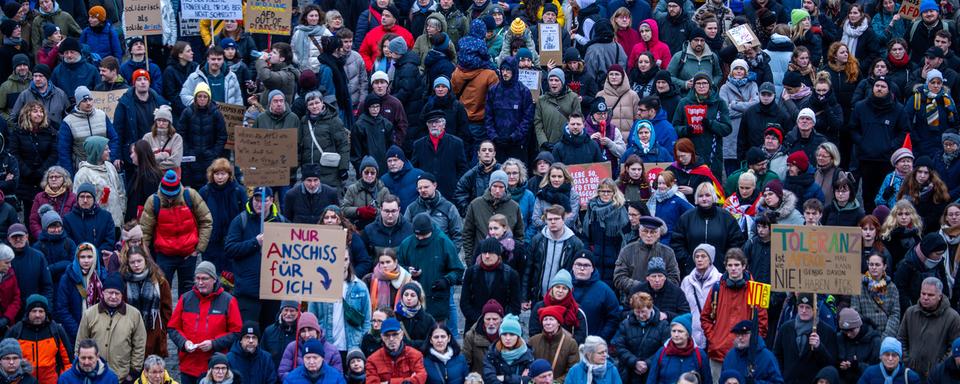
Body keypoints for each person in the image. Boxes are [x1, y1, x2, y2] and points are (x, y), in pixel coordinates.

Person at [168, 261, 243, 384]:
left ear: (214, 279)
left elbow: (236, 331)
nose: (200, 282)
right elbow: (172, 327)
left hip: (215, 368)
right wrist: (184, 342)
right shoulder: (185, 298)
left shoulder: (229, 301)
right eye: (197, 278)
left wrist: (214, 343)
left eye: (204, 278)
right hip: (188, 365)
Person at [701, 249, 768, 377]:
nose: (733, 269)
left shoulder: (758, 290)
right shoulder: (716, 288)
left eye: (737, 265)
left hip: (746, 354)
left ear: (744, 266)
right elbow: (705, 317)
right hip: (718, 353)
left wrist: (752, 345)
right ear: (725, 266)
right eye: (730, 265)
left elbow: (763, 324)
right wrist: (714, 339)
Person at [75, 273, 147, 382]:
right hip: (93, 374)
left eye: (117, 293)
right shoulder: (89, 314)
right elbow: (80, 341)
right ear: (103, 292)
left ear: (122, 294)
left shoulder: (134, 314)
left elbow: (139, 345)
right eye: (110, 292)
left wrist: (133, 373)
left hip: (122, 376)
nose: (113, 297)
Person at [898, 276, 960, 377]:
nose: (925, 297)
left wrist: (939, 367)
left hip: (938, 376)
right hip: (910, 374)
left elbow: (954, 348)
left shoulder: (953, 317)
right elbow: (901, 339)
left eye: (930, 295)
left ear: (940, 296)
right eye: (923, 294)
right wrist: (907, 361)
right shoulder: (910, 312)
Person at [773, 293, 838, 384]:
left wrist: (819, 347)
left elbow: (831, 364)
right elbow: (777, 355)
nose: (804, 310)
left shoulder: (827, 332)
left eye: (808, 307)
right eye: (801, 306)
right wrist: (780, 375)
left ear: (815, 309)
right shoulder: (786, 328)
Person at [120, 247, 173, 358]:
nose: (136, 265)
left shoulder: (159, 280)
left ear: (145, 260)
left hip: (153, 330)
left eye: (139, 261)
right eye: (132, 262)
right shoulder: (124, 281)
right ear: (128, 264)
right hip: (131, 331)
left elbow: (166, 308)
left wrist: (162, 330)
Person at [197, 159, 247, 274]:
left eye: (223, 174)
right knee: (211, 273)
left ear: (229, 175)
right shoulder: (205, 192)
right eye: (217, 174)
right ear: (212, 174)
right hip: (211, 240)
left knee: (230, 275)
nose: (220, 177)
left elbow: (244, 214)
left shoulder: (238, 191)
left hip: (232, 239)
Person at [7, 294, 72, 384]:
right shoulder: (16, 331)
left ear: (46, 313)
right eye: (34, 311)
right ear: (28, 312)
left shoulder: (56, 330)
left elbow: (68, 361)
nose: (37, 315)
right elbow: (5, 360)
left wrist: (63, 380)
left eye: (41, 311)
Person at [460, 238, 521, 327]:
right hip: (475, 325)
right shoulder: (471, 272)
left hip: (502, 325)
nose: (487, 256)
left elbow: (515, 305)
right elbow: (464, 302)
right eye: (484, 253)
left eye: (491, 253)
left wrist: (499, 320)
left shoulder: (511, 274)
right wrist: (480, 320)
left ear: (498, 254)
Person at [611, 292, 669, 384]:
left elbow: (665, 348)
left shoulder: (663, 325)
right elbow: (620, 347)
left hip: (653, 373)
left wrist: (648, 363)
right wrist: (635, 362)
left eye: (643, 312)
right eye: (637, 312)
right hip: (630, 373)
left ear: (650, 308)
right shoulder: (625, 324)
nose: (641, 316)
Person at [410, 113, 469, 203]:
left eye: (437, 122)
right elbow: (414, 169)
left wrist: (455, 184)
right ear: (427, 125)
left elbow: (463, 168)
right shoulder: (418, 144)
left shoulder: (456, 143)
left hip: (450, 193)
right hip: (425, 194)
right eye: (430, 122)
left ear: (444, 124)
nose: (434, 125)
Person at [178, 82, 227, 189]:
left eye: (205, 96)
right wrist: (187, 152)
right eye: (199, 96)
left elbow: (222, 136)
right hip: (191, 158)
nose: (202, 99)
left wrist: (214, 153)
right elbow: (181, 134)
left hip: (209, 157)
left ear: (209, 98)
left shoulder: (216, 113)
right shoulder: (187, 112)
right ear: (195, 97)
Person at [297, 93, 351, 190]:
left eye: (317, 103)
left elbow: (343, 145)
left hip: (329, 172)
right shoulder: (304, 121)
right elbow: (300, 145)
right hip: (309, 171)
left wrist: (343, 168)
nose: (314, 106)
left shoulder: (334, 121)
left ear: (322, 103)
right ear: (307, 106)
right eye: (311, 104)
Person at [582, 178, 628, 284]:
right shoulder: (592, 208)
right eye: (603, 191)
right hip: (595, 257)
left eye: (609, 191)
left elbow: (625, 236)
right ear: (598, 192)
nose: (605, 194)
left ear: (614, 193)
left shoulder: (620, 209)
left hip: (614, 258)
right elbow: (586, 234)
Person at [53, 242, 102, 339]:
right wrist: (78, 332)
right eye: (82, 257)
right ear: (77, 258)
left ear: (95, 258)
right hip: (74, 332)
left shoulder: (102, 277)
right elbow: (62, 309)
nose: (86, 260)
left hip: (99, 332)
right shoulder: (67, 278)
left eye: (89, 257)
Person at [646, 314, 712, 384]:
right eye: (673, 331)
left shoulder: (700, 355)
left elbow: (707, 381)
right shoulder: (662, 352)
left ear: (688, 334)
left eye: (680, 331)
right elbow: (651, 379)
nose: (676, 335)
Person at [570, 251, 621, 340]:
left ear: (593, 268)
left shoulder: (604, 290)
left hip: (592, 346)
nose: (582, 268)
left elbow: (614, 317)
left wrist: (600, 339)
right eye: (578, 264)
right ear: (573, 267)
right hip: (566, 344)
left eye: (586, 265)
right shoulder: (563, 287)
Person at [404, 173, 464, 249]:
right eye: (420, 188)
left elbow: (458, 234)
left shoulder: (449, 207)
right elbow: (406, 233)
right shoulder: (411, 208)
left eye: (426, 187)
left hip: (443, 253)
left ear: (435, 185)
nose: (422, 190)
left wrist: (450, 253)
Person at [894, 232, 950, 313]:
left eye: (942, 254)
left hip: (935, 309)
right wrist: (911, 310)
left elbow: (943, 283)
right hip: (913, 311)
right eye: (937, 254)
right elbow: (900, 290)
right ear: (928, 252)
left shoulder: (939, 262)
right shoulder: (907, 264)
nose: (940, 257)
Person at [365, 317, 426, 384]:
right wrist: (407, 381)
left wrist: (388, 383)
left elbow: (421, 377)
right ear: (382, 337)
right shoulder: (372, 360)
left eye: (395, 334)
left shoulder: (416, 355)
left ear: (401, 335)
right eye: (387, 335)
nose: (391, 339)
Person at [481, 314, 533, 384]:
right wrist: (519, 379)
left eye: (512, 334)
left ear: (518, 336)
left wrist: (504, 378)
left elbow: (530, 380)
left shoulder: (527, 356)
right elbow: (489, 378)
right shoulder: (492, 354)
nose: (508, 338)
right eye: (504, 334)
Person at [834, 308, 881, 383]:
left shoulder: (874, 340)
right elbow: (833, 360)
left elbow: (877, 369)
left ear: (859, 326)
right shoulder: (840, 337)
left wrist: (857, 366)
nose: (848, 334)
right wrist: (840, 364)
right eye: (845, 331)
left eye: (851, 330)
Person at [391, 282, 437, 349]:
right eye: (406, 295)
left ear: (418, 298)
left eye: (412, 295)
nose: (409, 298)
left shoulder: (428, 319)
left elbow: (431, 341)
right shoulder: (394, 316)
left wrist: (409, 343)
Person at [263, 301, 301, 370]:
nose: (288, 314)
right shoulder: (269, 331)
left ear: (298, 312)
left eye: (292, 311)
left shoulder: (303, 332)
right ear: (281, 311)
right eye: (286, 310)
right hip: (273, 376)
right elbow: (262, 356)